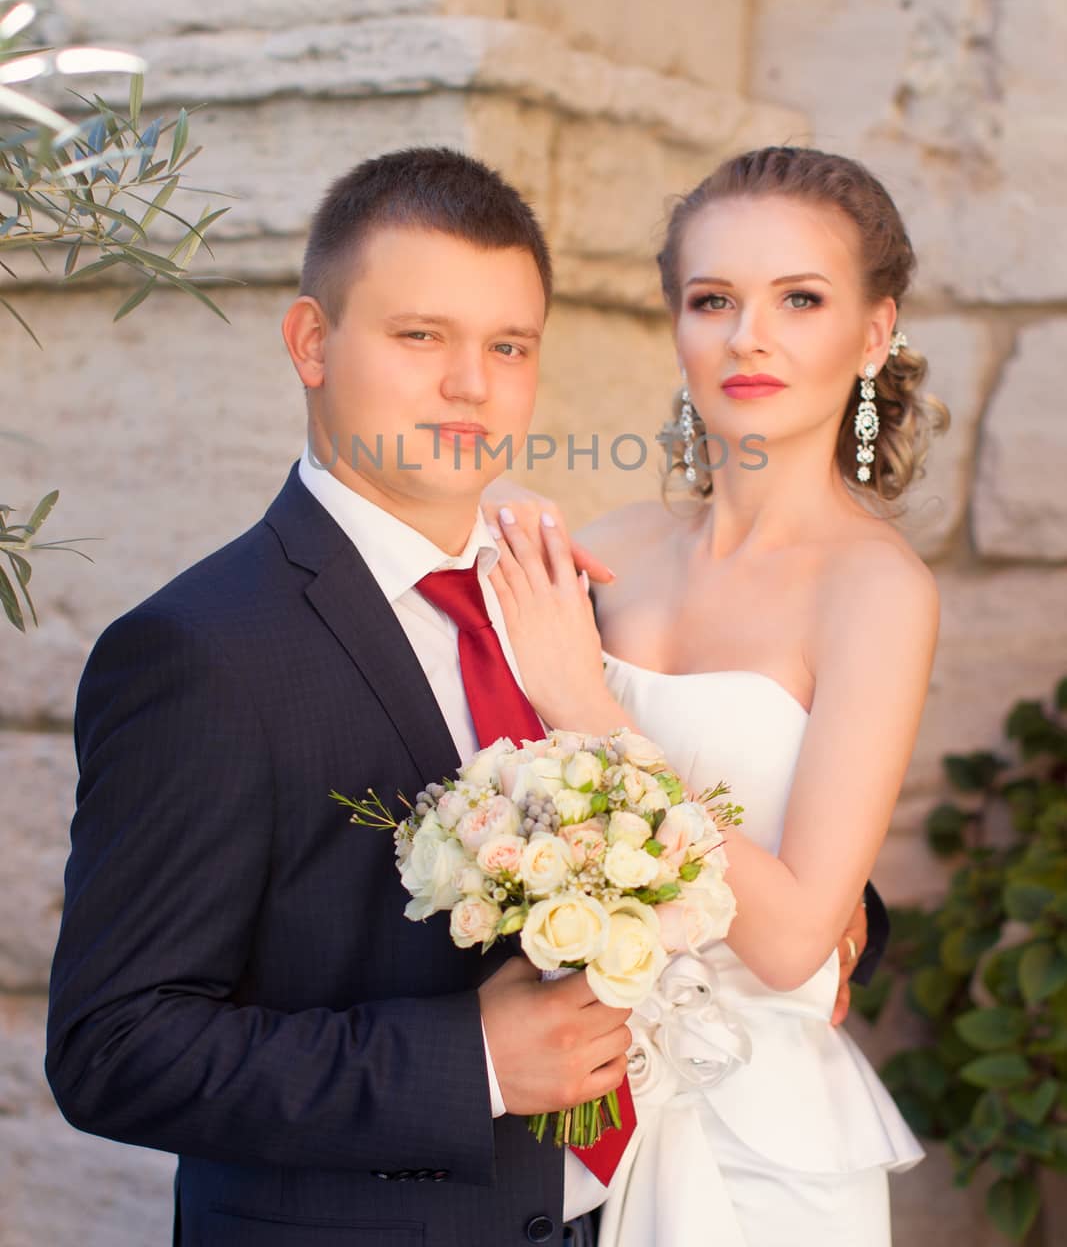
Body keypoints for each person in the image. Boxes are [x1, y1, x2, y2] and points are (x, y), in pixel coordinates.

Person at [45, 145, 881, 1247]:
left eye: (508, 346)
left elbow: (719, 810)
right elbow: (116, 1048)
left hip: (634, 1215)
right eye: (418, 335)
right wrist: (473, 1061)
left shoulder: (565, 589)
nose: (469, 385)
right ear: (310, 342)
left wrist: (832, 917)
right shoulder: (201, 651)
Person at [481, 145, 949, 1246]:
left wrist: (588, 707)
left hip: (756, 1149)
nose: (748, 334)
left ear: (873, 333)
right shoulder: (613, 547)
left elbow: (791, 938)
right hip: (569, 1110)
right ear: (676, 325)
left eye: (798, 297)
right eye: (711, 300)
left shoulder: (875, 591)